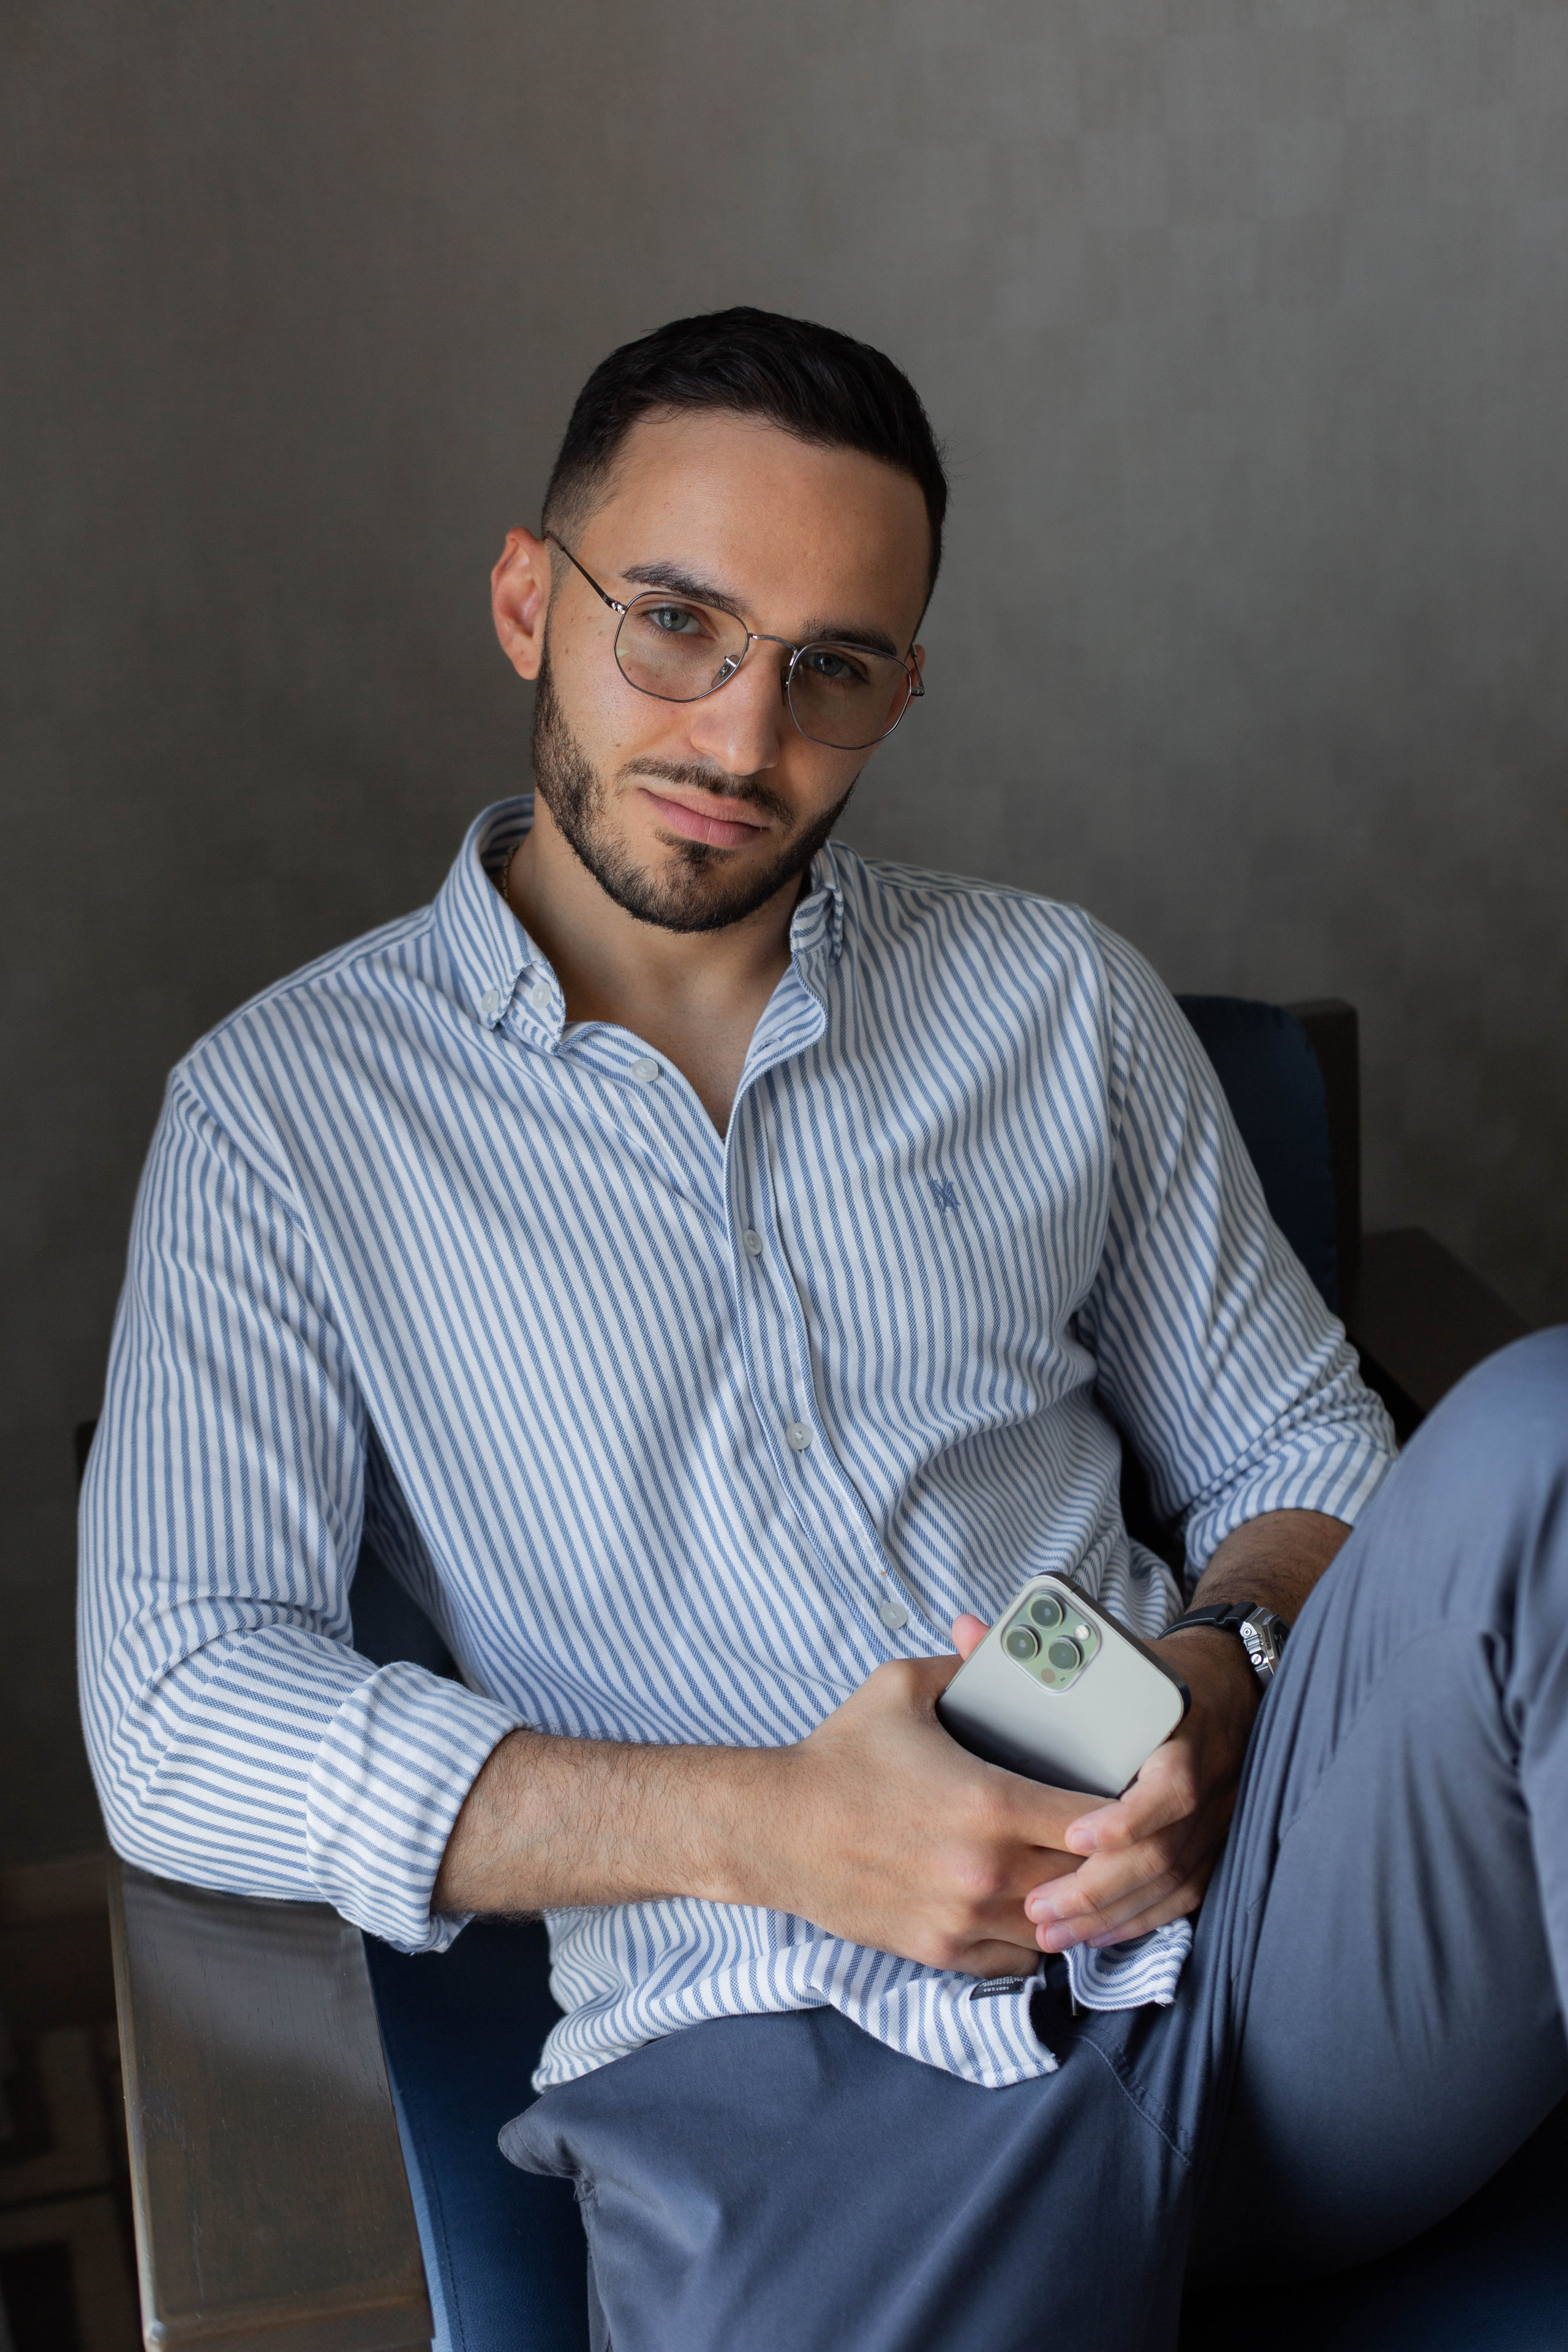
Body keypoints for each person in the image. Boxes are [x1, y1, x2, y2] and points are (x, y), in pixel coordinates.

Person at [78, 308, 1568, 2352]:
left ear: (902, 690)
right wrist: (768, 1824)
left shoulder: (1057, 999)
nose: (739, 739)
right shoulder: (279, 1119)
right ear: (531, 598)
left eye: (831, 671)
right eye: (675, 624)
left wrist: (1224, 1680)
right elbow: (175, 1708)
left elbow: (1305, 1453)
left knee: (1552, 1434)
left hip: (1270, 1964)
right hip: (772, 2064)